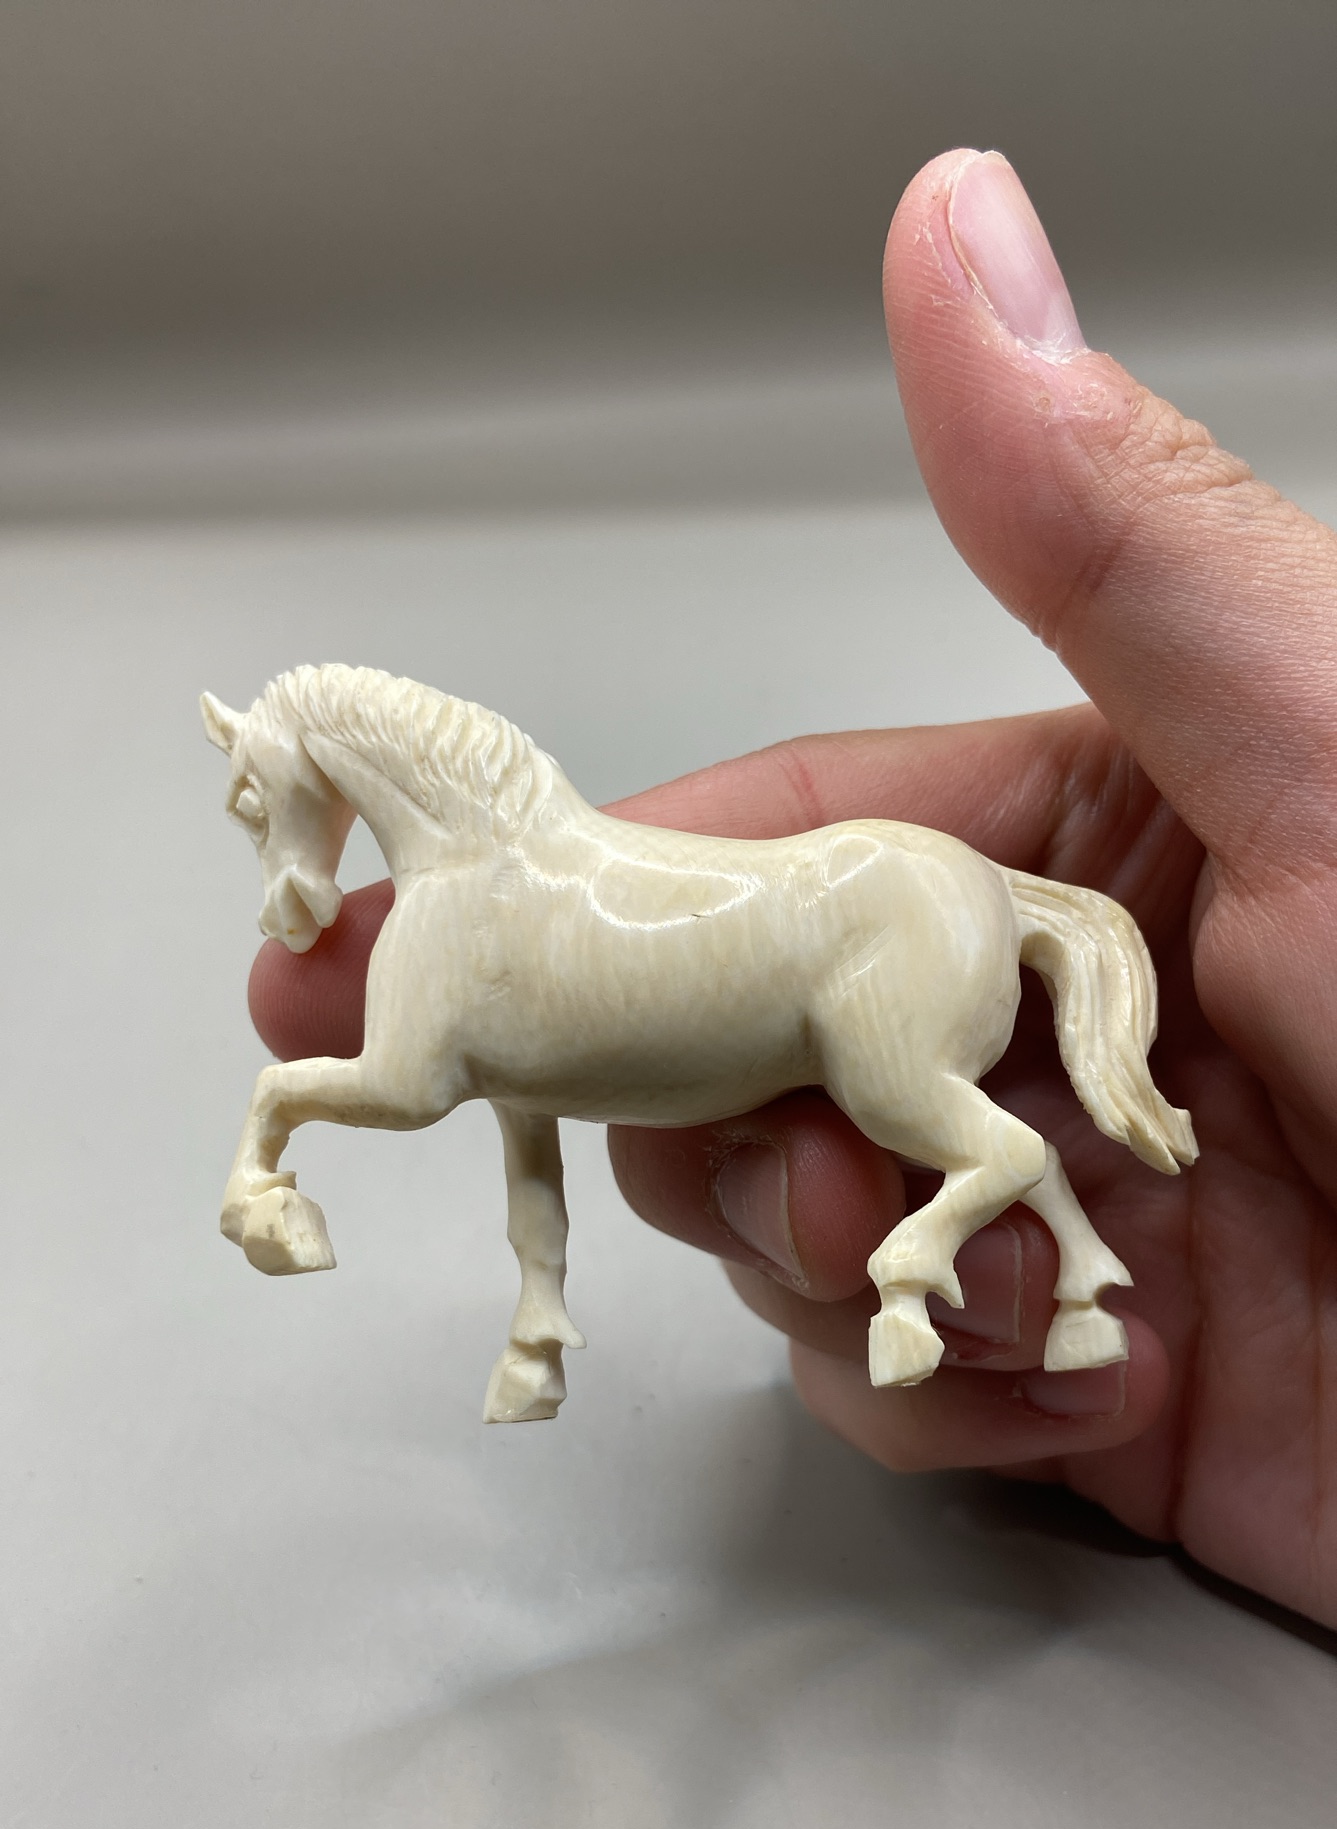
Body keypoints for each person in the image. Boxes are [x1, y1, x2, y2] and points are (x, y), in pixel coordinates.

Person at [248, 150, 1337, 1626]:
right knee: (791, 1142)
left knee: (897, 1119)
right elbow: (512, 1093)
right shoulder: (487, 890)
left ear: (317, 765)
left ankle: (931, 1236)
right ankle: (1065, 1274)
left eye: (266, 809)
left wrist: (275, 1123)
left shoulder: (469, 910)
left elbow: (413, 1086)